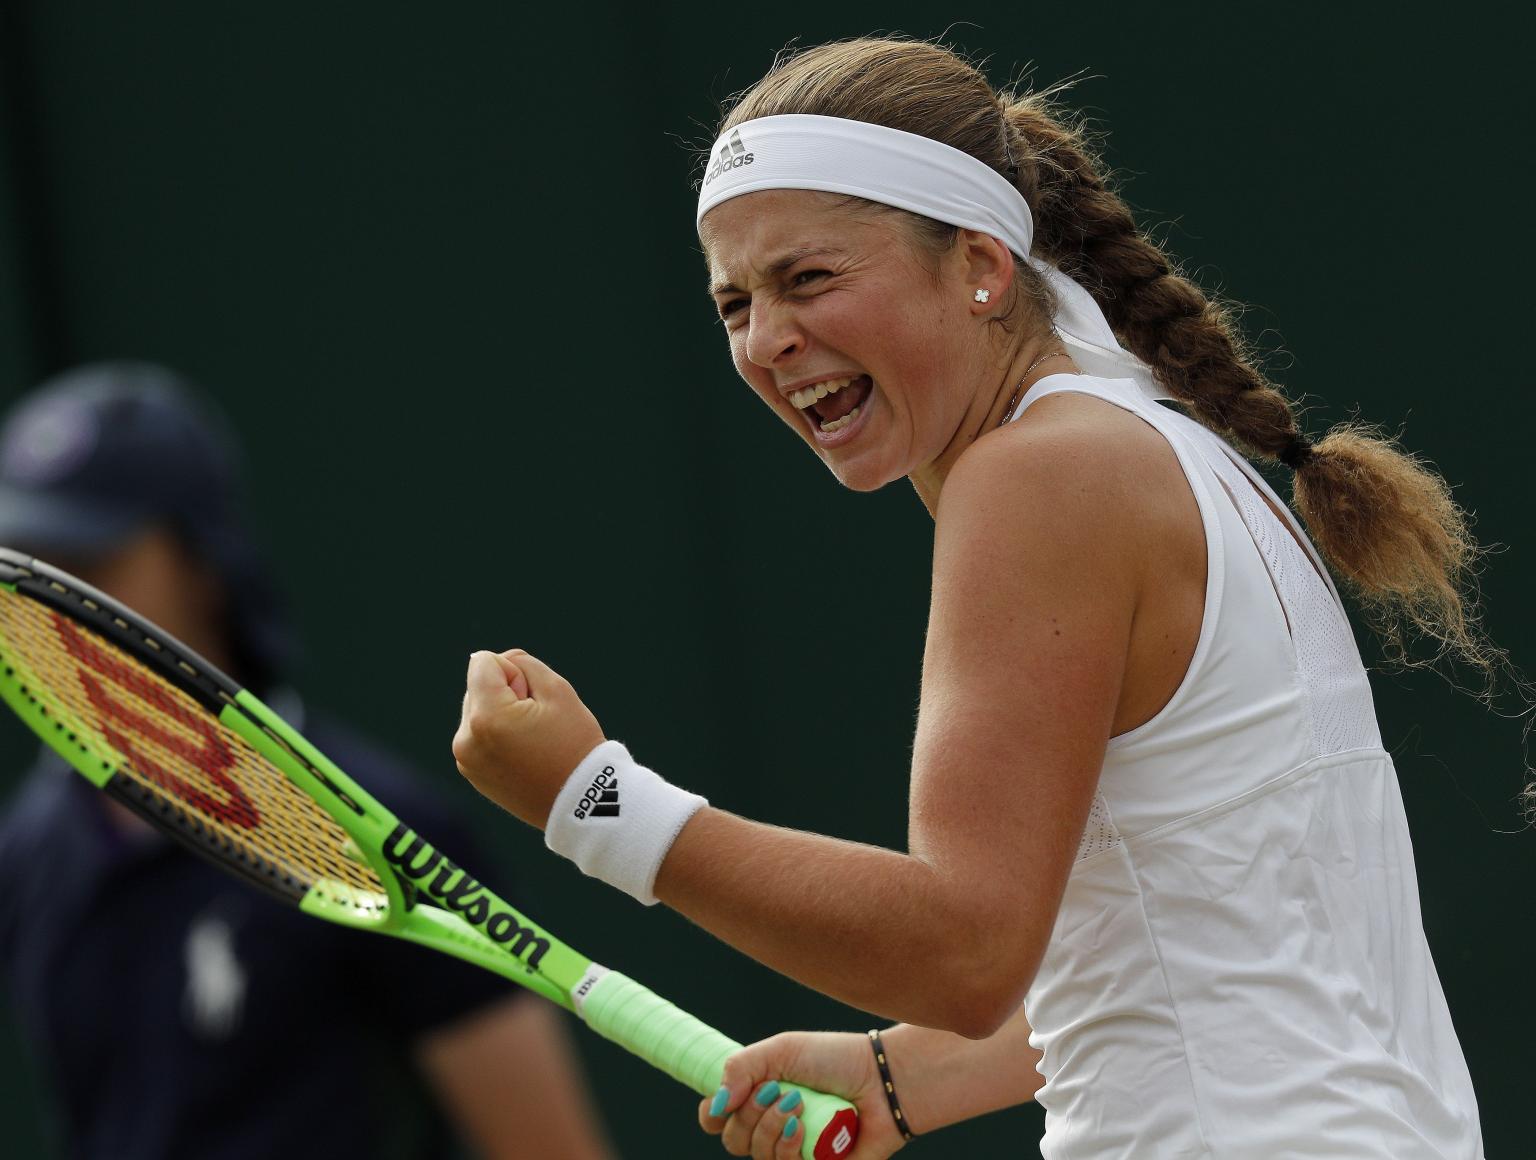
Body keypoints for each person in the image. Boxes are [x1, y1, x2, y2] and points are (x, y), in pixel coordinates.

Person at [448, 37, 1505, 1159]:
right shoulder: (1171, 454)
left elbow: (966, 949)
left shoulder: (1038, 477)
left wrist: (594, 801)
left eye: (809, 278)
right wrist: (896, 1077)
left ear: (981, 265)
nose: (767, 339)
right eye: (733, 302)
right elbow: (1220, 939)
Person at [0, 363, 615, 1160]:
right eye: (27, 568)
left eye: (89, 563)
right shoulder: (28, 853)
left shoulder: (391, 831)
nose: (54, 608)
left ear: (201, 561)